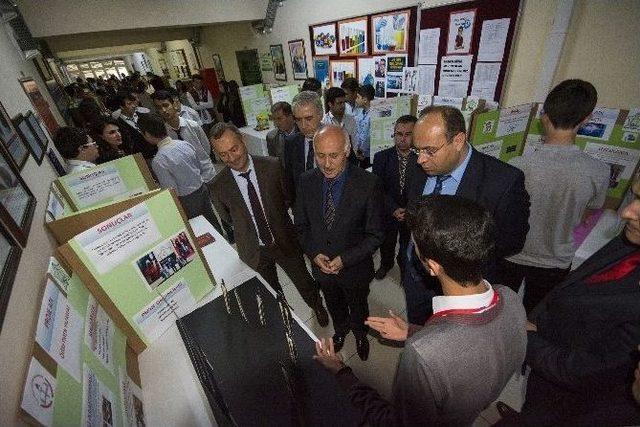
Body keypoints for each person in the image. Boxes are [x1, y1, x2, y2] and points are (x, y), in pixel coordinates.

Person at [314, 195, 527, 426]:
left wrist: (341, 371)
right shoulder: (510, 297)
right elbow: (472, 347)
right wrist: (413, 332)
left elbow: (394, 422)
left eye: (415, 246)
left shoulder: (423, 355)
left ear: (433, 266)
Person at [495, 172, 640, 426]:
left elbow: (581, 371)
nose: (627, 212)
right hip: (546, 372)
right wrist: (534, 321)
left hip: (573, 405)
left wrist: (520, 333)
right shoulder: (630, 240)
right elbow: (572, 286)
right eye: (636, 197)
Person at [403, 105, 530, 324]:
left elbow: (512, 241)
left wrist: (457, 260)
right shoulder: (419, 169)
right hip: (415, 275)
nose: (420, 160)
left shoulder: (504, 182)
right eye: (418, 150)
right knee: (419, 330)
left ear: (458, 140)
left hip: (461, 291)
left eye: (430, 151)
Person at [498, 79, 610, 313]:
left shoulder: (517, 165)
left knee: (501, 311)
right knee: (536, 316)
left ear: (543, 115)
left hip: (513, 255)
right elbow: (584, 217)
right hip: (557, 259)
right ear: (587, 119)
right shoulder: (599, 170)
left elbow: (505, 214)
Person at [209, 123, 329, 325]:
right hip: (254, 250)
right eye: (223, 155)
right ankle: (285, 315)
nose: (231, 158)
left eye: (234, 149)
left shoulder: (272, 166)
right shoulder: (217, 186)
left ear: (243, 140)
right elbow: (228, 218)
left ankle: (317, 305)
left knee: (304, 281)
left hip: (284, 240)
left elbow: (288, 198)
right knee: (271, 290)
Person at [294, 125, 384, 361]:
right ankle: (341, 330)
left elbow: (375, 235)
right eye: (320, 155)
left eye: (333, 155)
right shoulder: (306, 181)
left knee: (358, 304)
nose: (326, 163)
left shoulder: (368, 183)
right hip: (322, 269)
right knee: (333, 303)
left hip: (355, 269)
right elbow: (301, 227)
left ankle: (360, 333)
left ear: (347, 151)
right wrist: (314, 254)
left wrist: (345, 259)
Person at [137, 113, 219, 228]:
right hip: (202, 188)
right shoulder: (185, 144)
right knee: (212, 220)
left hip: (187, 200)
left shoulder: (159, 160)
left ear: (147, 134)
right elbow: (199, 167)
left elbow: (172, 190)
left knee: (199, 228)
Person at [372, 115, 417, 281]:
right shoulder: (381, 158)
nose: (403, 138)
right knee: (387, 243)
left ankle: (404, 268)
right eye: (399, 134)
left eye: (408, 134)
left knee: (407, 245)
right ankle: (386, 264)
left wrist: (409, 210)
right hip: (388, 211)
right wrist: (392, 209)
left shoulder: (422, 159)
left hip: (411, 213)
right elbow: (377, 189)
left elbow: (422, 190)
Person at [284, 91, 324, 204]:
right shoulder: (291, 143)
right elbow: (290, 180)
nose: (303, 126)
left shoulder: (338, 138)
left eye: (308, 118)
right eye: (298, 120)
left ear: (320, 115)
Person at [112, 91, 156, 159]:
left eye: (133, 103)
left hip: (156, 152)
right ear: (121, 107)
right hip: (140, 158)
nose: (133, 106)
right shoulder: (118, 125)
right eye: (129, 104)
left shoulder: (144, 116)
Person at [266, 102, 299, 166]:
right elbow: (275, 165)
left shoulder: (303, 132)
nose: (276, 123)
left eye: (279, 119)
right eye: (274, 119)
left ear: (291, 116)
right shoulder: (272, 137)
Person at [354, 84, 374, 168]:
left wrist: (361, 150)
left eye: (358, 97)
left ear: (365, 99)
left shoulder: (372, 115)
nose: (356, 100)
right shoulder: (359, 113)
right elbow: (358, 132)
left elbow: (369, 136)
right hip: (360, 153)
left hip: (368, 155)